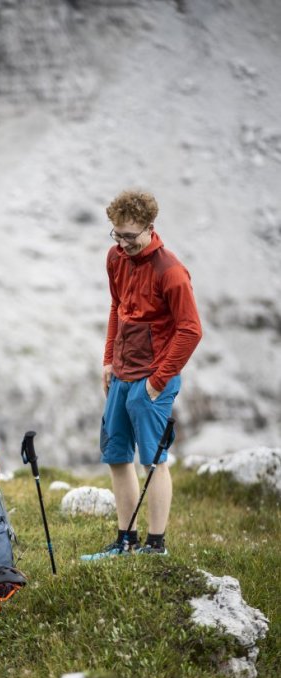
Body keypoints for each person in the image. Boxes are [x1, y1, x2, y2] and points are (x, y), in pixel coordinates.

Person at [82, 190, 202, 561]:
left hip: (152, 378)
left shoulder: (172, 272)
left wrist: (157, 381)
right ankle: (125, 541)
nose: (122, 243)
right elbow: (117, 307)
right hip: (121, 373)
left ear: (150, 228)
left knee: (153, 458)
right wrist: (107, 359)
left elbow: (190, 330)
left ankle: (156, 545)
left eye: (130, 237)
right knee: (117, 455)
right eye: (116, 235)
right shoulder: (115, 257)